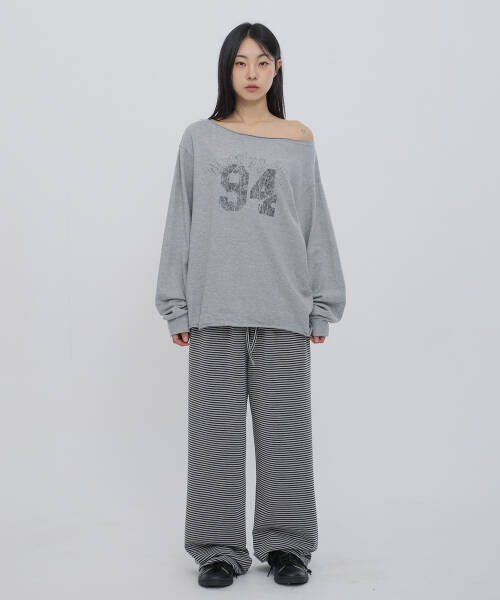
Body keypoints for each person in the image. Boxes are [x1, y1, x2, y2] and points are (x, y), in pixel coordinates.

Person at [155, 22, 346, 588]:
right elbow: (181, 218)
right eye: (241, 62)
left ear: (277, 68)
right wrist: (176, 304)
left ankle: (287, 546)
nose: (252, 73)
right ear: (226, 68)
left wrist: (322, 304)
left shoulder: (298, 138)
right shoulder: (200, 138)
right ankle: (218, 549)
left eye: (263, 62)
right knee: (215, 438)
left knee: (285, 436)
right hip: (214, 309)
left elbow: (313, 222)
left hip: (283, 309)